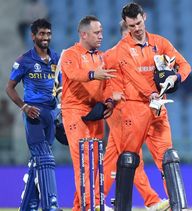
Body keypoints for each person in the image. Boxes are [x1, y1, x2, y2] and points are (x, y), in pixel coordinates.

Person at [102, 2, 191, 209]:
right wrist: (152, 94)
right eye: (131, 26)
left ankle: (178, 205)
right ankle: (122, 206)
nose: (136, 29)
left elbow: (185, 65)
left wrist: (176, 78)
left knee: (167, 157)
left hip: (158, 108)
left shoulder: (160, 43)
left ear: (145, 18)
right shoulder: (121, 50)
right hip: (134, 109)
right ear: (125, 24)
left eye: (139, 23)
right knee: (129, 159)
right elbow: (134, 77)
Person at [93, 19, 170, 210]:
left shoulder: (147, 55)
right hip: (120, 111)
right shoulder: (112, 56)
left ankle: (93, 200)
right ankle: (151, 201)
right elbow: (101, 87)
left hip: (142, 111)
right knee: (131, 157)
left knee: (113, 156)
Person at [59, 15, 116, 211]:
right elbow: (73, 74)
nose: (101, 36)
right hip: (74, 111)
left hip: (95, 113)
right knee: (83, 162)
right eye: (96, 32)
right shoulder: (70, 54)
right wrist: (93, 74)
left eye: (101, 32)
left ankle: (80, 207)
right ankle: (94, 205)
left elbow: (108, 84)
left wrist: (108, 101)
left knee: (95, 162)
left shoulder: (102, 56)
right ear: (84, 34)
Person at [5, 18, 61, 211]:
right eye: (42, 34)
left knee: (39, 161)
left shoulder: (55, 58)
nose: (45, 37)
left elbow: (59, 86)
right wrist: (24, 107)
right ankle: (50, 204)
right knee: (45, 158)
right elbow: (9, 88)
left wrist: (61, 109)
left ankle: (28, 205)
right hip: (34, 114)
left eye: (48, 34)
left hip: (51, 114)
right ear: (33, 36)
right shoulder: (24, 60)